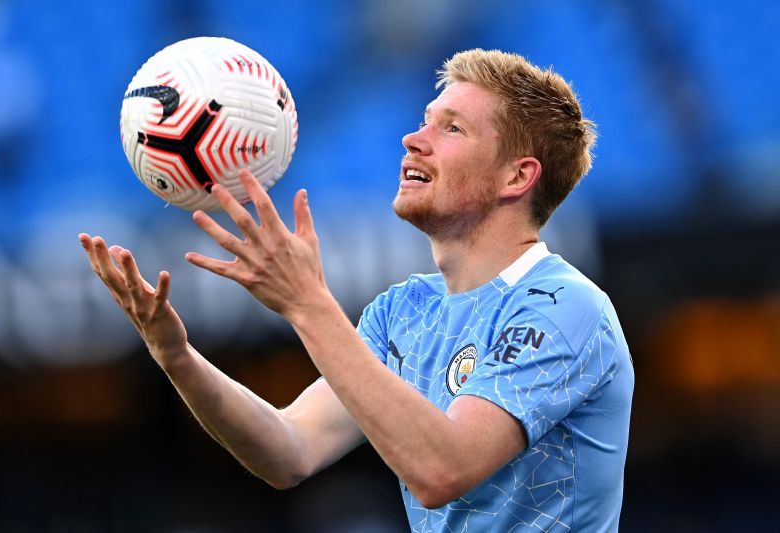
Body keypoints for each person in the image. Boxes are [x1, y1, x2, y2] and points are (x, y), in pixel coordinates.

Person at [80, 49, 633, 532]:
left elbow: (443, 469)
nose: (414, 140)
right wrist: (175, 356)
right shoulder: (403, 311)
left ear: (517, 177)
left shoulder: (565, 307)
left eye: (452, 129)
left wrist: (306, 304)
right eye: (425, 121)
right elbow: (288, 449)